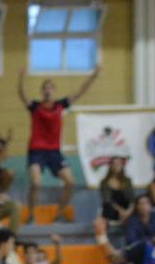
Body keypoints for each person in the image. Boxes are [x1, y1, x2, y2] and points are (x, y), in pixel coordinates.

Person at [18, 65, 100, 224]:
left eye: (50, 88)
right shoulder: (35, 107)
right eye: (45, 88)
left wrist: (94, 75)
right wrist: (21, 77)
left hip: (54, 151)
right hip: (37, 150)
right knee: (36, 182)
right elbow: (21, 94)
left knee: (70, 182)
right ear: (42, 92)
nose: (48, 91)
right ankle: (31, 214)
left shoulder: (61, 105)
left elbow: (81, 91)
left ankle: (60, 213)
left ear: (54, 91)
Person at [99, 156, 133, 224]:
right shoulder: (104, 182)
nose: (116, 166)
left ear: (122, 166)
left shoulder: (127, 181)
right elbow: (107, 200)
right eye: (114, 164)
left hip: (126, 208)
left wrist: (129, 211)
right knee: (107, 207)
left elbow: (132, 199)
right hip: (113, 209)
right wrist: (121, 211)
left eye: (118, 164)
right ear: (110, 166)